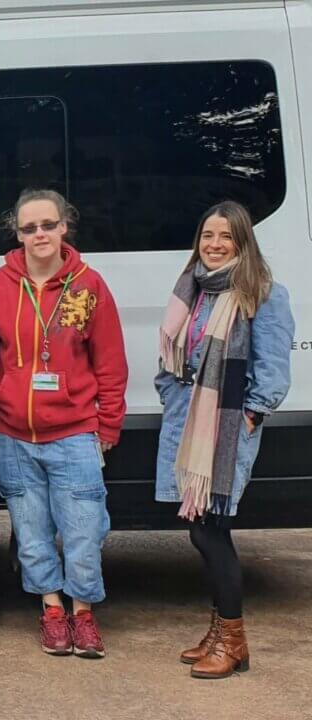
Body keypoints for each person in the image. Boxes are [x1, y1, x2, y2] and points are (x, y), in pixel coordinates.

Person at [0, 189, 128, 659]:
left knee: (83, 529)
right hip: (11, 434)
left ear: (64, 227)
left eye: (47, 225)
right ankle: (52, 609)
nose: (39, 234)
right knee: (31, 530)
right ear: (16, 234)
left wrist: (109, 425)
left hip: (74, 431)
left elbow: (110, 361)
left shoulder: (89, 286)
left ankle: (83, 612)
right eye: (28, 228)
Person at [155, 200, 293, 679]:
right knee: (201, 530)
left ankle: (232, 640)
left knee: (211, 532)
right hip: (190, 424)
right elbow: (173, 354)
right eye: (207, 236)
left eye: (225, 237)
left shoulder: (264, 293)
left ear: (242, 242)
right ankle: (219, 632)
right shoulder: (193, 289)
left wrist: (252, 415)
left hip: (228, 429)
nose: (214, 246)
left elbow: (274, 370)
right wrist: (171, 393)